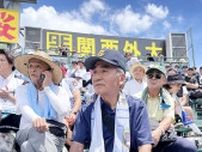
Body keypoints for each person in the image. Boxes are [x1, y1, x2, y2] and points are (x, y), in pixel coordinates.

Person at [70, 49, 153, 152]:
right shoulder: (86, 110)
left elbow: (144, 145)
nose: (97, 77)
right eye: (95, 72)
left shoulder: (137, 107)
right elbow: (77, 145)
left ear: (121, 78)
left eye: (104, 71)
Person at [14, 51, 71, 152]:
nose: (33, 70)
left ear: (48, 72)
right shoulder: (22, 89)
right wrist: (36, 119)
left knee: (27, 147)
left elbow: (64, 111)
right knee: (38, 131)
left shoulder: (59, 90)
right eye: (30, 66)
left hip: (54, 135)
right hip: (26, 132)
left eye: (38, 66)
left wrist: (47, 89)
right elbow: (24, 106)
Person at [141, 64, 197, 152]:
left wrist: (160, 130)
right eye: (150, 76)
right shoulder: (138, 97)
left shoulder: (168, 97)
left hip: (163, 135)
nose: (153, 78)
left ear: (163, 80)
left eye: (157, 76)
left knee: (189, 147)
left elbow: (168, 116)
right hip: (143, 133)